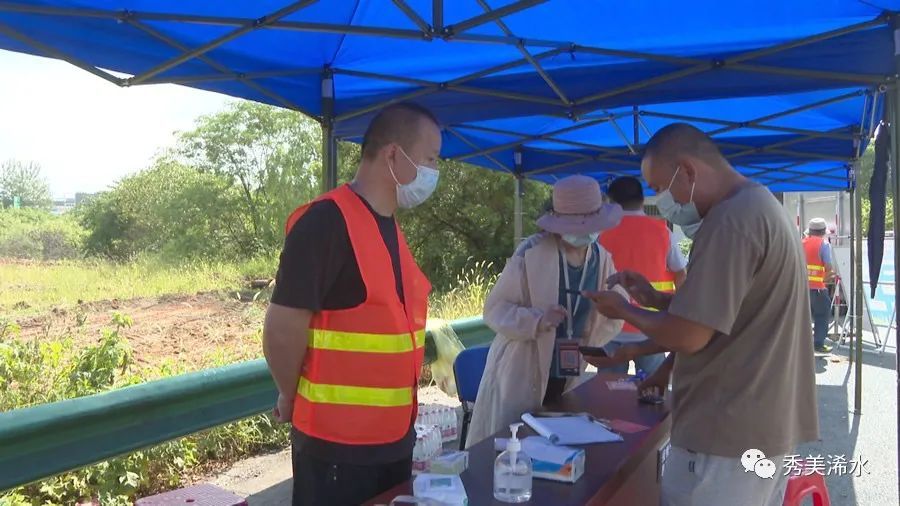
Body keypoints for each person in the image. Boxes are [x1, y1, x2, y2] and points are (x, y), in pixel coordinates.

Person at [586, 123, 818, 506]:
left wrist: (624, 308)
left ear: (688, 171)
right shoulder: (760, 206)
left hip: (726, 439)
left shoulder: (730, 221)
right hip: (761, 429)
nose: (661, 201)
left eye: (661, 189)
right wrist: (650, 298)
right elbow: (728, 311)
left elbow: (690, 334)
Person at [262, 102, 441, 506]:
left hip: (393, 440)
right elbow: (281, 329)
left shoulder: (389, 227)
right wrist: (291, 395)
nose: (434, 173)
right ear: (393, 155)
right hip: (337, 449)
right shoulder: (325, 222)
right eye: (430, 160)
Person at [465, 175, 627, 448]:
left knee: (558, 445)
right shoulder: (532, 251)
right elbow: (495, 310)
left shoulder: (601, 258)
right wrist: (537, 320)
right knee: (513, 446)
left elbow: (617, 313)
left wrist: (599, 324)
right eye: (577, 224)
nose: (585, 232)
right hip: (521, 368)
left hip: (568, 371)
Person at [598, 175, 687, 375]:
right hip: (652, 328)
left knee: (607, 397)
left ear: (612, 202)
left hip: (611, 328)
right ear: (641, 199)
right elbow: (681, 275)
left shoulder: (601, 234)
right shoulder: (663, 232)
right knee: (652, 397)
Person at [803, 217, 835, 353]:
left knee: (803, 317)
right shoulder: (824, 244)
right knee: (822, 315)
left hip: (802, 288)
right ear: (823, 231)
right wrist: (826, 281)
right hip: (818, 289)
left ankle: (801, 344)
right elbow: (829, 268)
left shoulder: (801, 243)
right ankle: (818, 344)